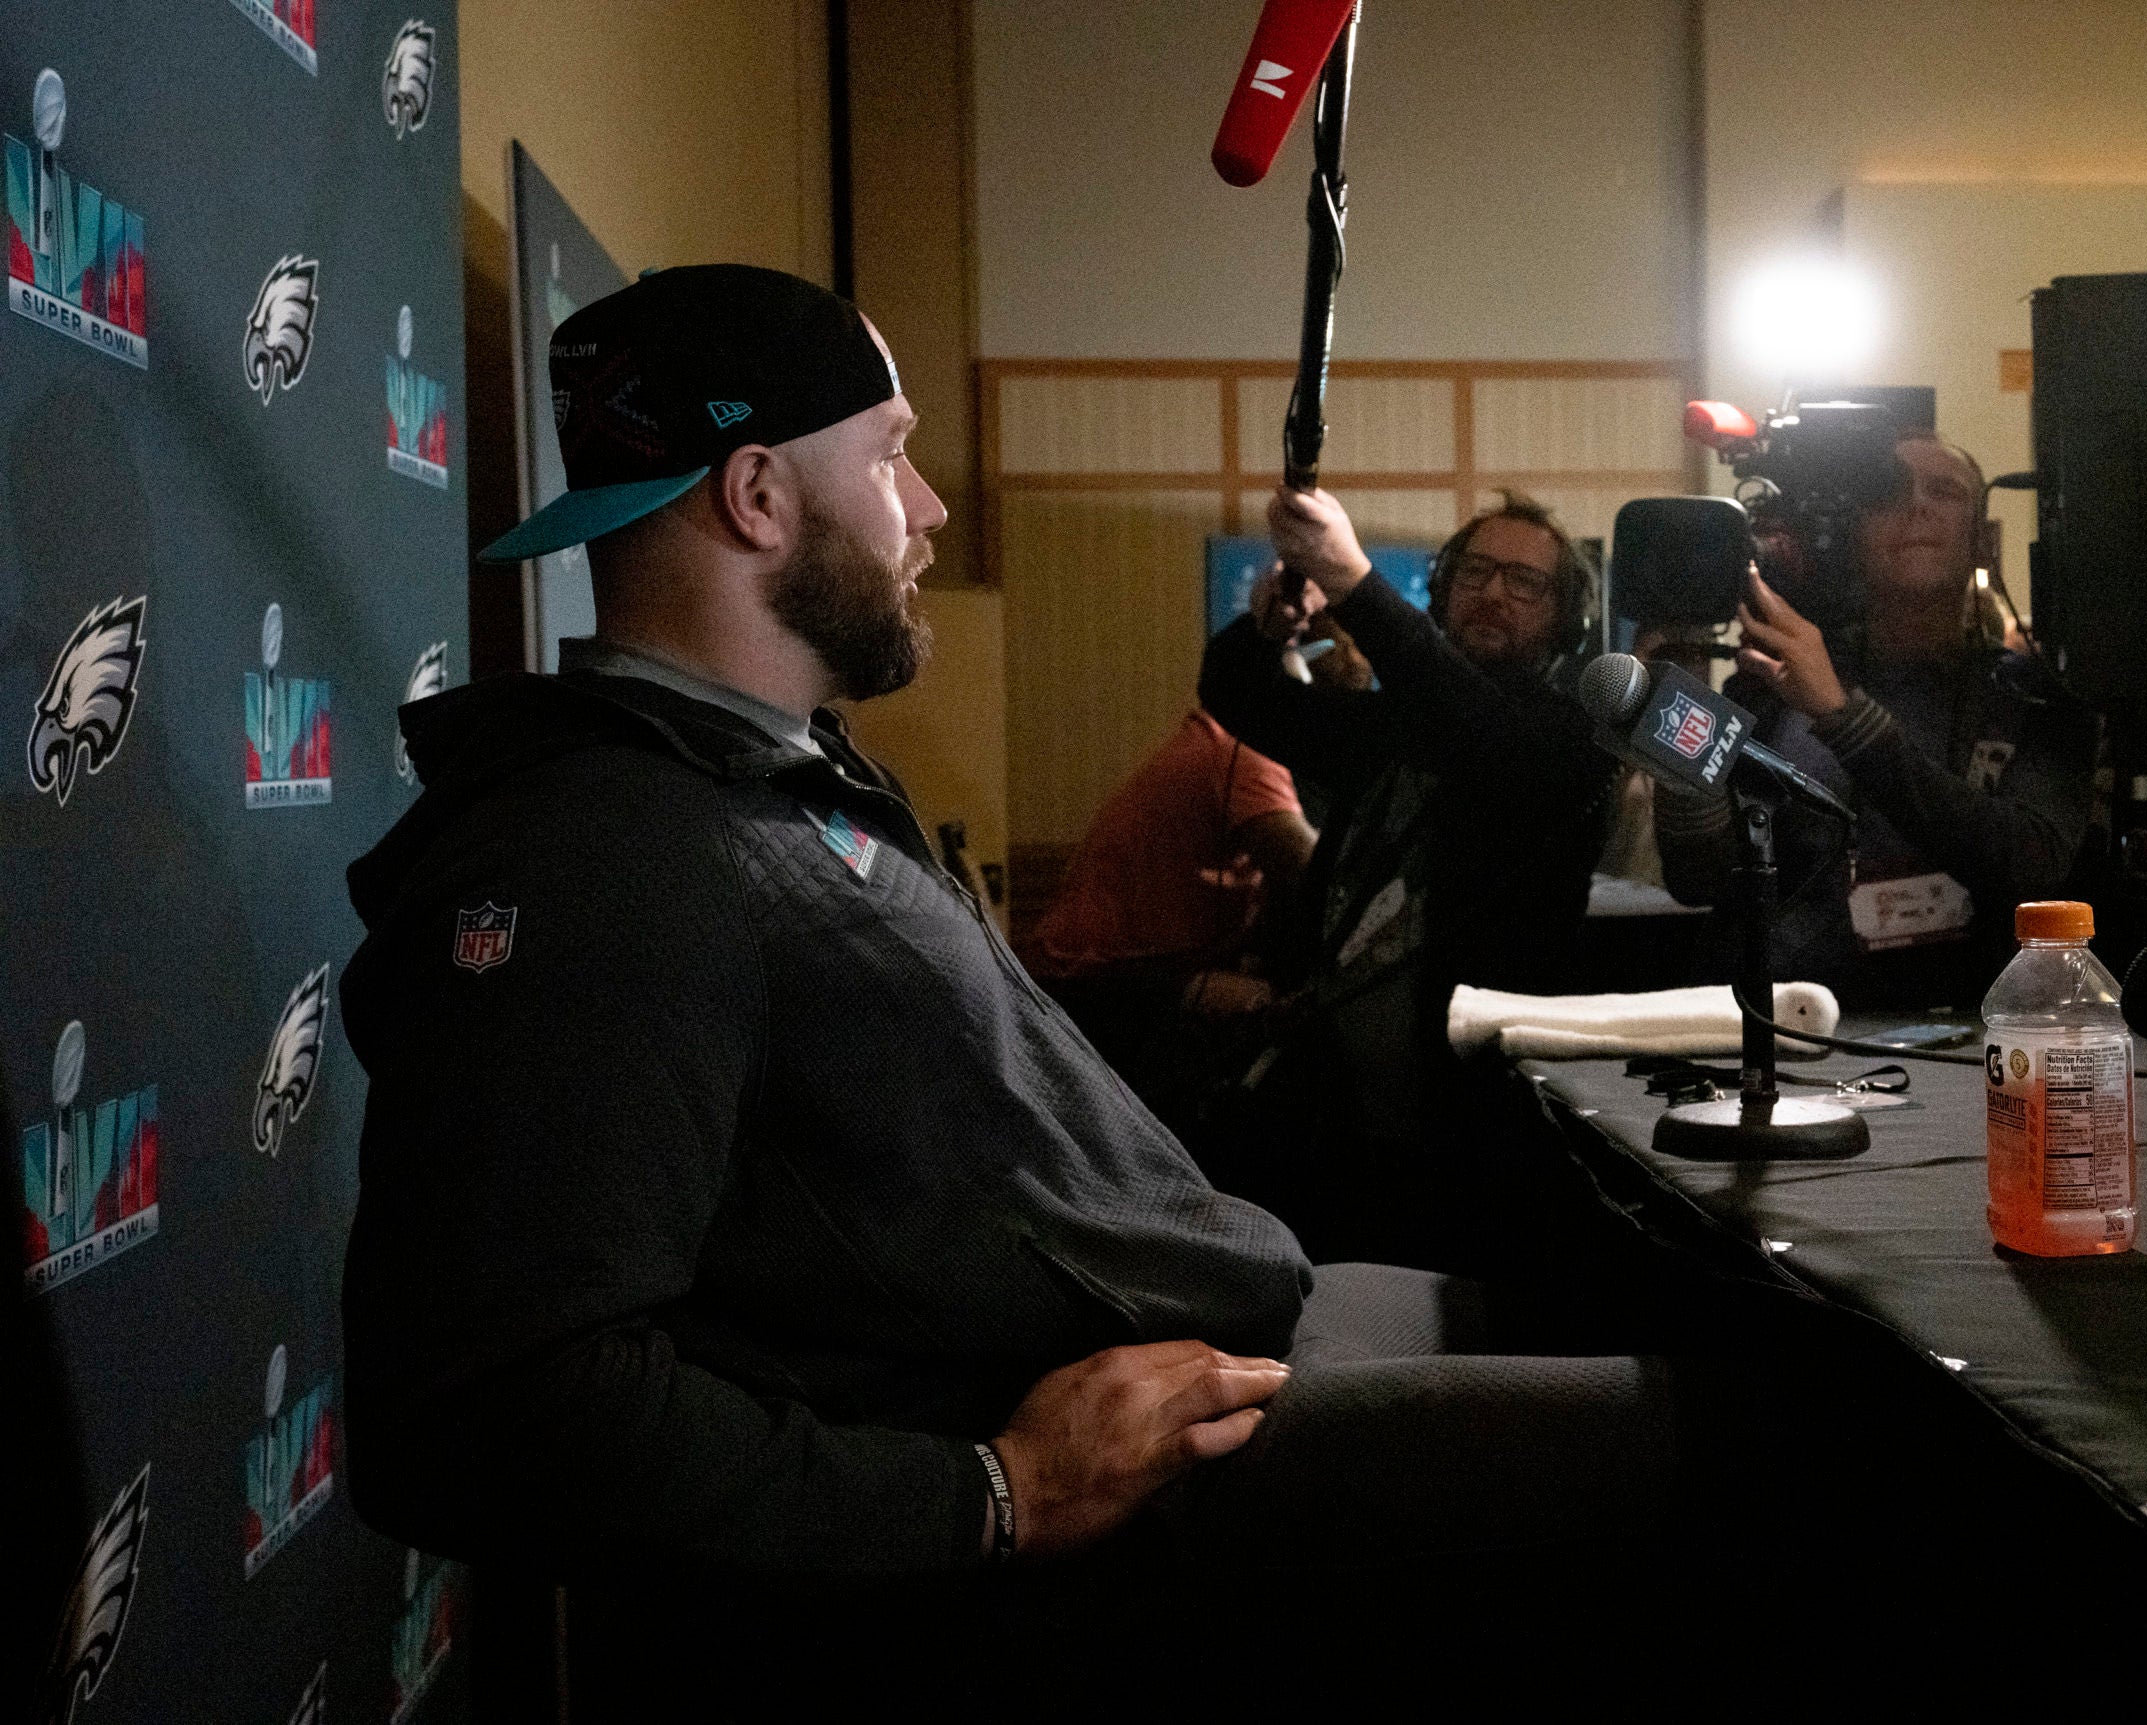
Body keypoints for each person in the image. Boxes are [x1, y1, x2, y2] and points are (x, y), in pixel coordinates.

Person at [337, 266, 1808, 1705]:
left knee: (1745, 1342)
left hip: (1239, 1317)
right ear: (759, 497)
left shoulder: (776, 784)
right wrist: (992, 1492)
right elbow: (485, 1413)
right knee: (1787, 1455)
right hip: (1121, 1489)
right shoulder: (611, 852)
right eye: (897, 457)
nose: (930, 508)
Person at [1195, 489, 1618, 1255]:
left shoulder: (1570, 733)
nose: (1493, 591)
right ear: (1445, 585)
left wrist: (1355, 584)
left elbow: (1484, 739)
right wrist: (1265, 629)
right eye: (1477, 571)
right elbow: (1236, 693)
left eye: (1525, 583)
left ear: (1566, 619)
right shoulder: (1399, 721)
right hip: (1340, 1121)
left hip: (1479, 1131)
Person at [1656, 434, 2096, 1009]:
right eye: (1885, 494)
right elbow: (1698, 880)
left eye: (1944, 491)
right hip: (1778, 1025)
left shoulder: (2037, 697)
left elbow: (2033, 867)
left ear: (1984, 541)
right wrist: (1674, 721)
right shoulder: (1773, 676)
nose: (1915, 506)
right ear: (1851, 538)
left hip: (1959, 1029)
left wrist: (1842, 716)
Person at [1022, 704, 1314, 1113]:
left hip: (1089, 979)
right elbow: (1313, 870)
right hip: (1101, 988)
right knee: (1280, 1018)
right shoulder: (1243, 751)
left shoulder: (1214, 738)